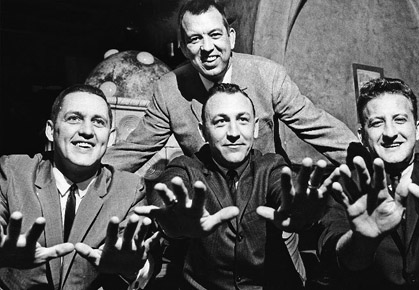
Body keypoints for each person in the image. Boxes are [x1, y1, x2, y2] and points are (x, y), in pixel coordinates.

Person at [103, 0, 357, 174]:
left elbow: (315, 125)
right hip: (210, 214)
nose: (207, 48)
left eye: (215, 35)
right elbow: (134, 149)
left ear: (231, 38)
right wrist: (75, 173)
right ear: (182, 48)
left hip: (270, 207)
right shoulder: (169, 89)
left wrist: (370, 161)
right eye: (195, 39)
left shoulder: (268, 75)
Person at [136, 83, 331, 289]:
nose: (233, 133)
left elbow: (284, 187)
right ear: (203, 132)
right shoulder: (185, 167)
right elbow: (168, 193)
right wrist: (171, 223)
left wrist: (300, 211)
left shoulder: (271, 166)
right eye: (220, 122)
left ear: (255, 127)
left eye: (243, 120)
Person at [317, 77, 419, 290]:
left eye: (400, 120)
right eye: (377, 123)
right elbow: (334, 251)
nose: (390, 133)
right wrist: (362, 241)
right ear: (362, 137)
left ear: (418, 129)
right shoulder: (345, 184)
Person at [0, 84, 151, 290]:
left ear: (111, 137)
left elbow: (133, 254)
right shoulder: (12, 172)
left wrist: (131, 269)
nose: (87, 131)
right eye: (74, 118)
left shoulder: (130, 189)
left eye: (98, 122)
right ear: (51, 130)